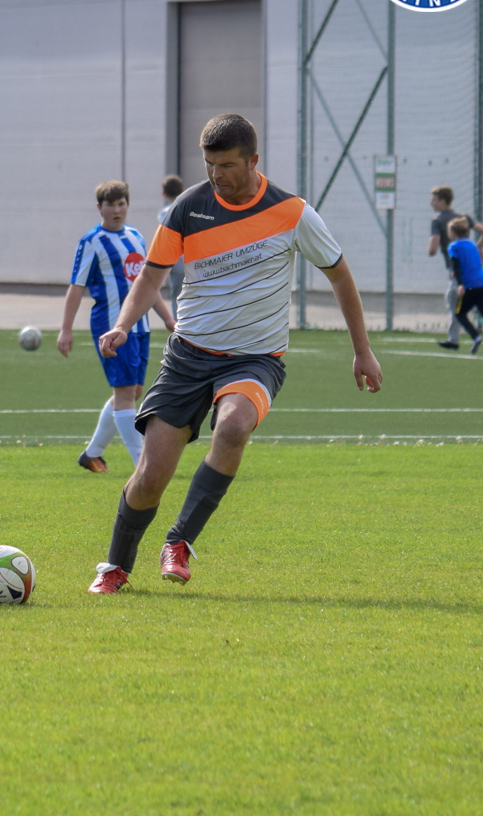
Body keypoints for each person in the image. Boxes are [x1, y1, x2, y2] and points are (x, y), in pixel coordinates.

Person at [87, 113, 381, 594]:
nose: (216, 174)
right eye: (209, 164)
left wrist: (362, 351)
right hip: (188, 355)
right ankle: (116, 567)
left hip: (255, 358)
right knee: (151, 476)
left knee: (234, 425)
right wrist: (122, 324)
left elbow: (340, 275)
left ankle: (179, 542)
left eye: (226, 165)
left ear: (253, 160)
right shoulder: (188, 207)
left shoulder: (292, 213)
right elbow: (152, 275)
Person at [58, 180, 175, 472]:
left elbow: (148, 284)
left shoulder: (136, 237)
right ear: (100, 207)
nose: (116, 210)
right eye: (110, 204)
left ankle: (92, 453)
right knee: (124, 393)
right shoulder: (92, 241)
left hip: (140, 326)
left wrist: (168, 319)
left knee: (133, 392)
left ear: (128, 205)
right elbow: (76, 287)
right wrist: (66, 329)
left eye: (121, 203)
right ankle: (143, 467)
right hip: (110, 327)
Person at [428, 185, 483, 349]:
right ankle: (456, 337)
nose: (431, 203)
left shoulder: (438, 221)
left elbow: (433, 248)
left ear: (443, 201)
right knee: (463, 300)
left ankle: (454, 340)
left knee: (454, 301)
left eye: (434, 200)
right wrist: (477, 248)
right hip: (475, 270)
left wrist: (430, 250)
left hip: (457, 271)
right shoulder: (464, 218)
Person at [447, 216, 483, 353]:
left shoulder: (454, 246)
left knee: (459, 313)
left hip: (470, 287)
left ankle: (476, 336)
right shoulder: (473, 245)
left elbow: (456, 266)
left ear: (453, 233)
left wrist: (460, 284)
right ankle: (477, 337)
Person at [158, 174, 186, 306]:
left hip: (177, 261)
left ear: (163, 194)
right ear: (182, 190)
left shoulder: (165, 213)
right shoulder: (190, 208)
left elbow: (167, 239)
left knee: (177, 297)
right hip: (195, 260)